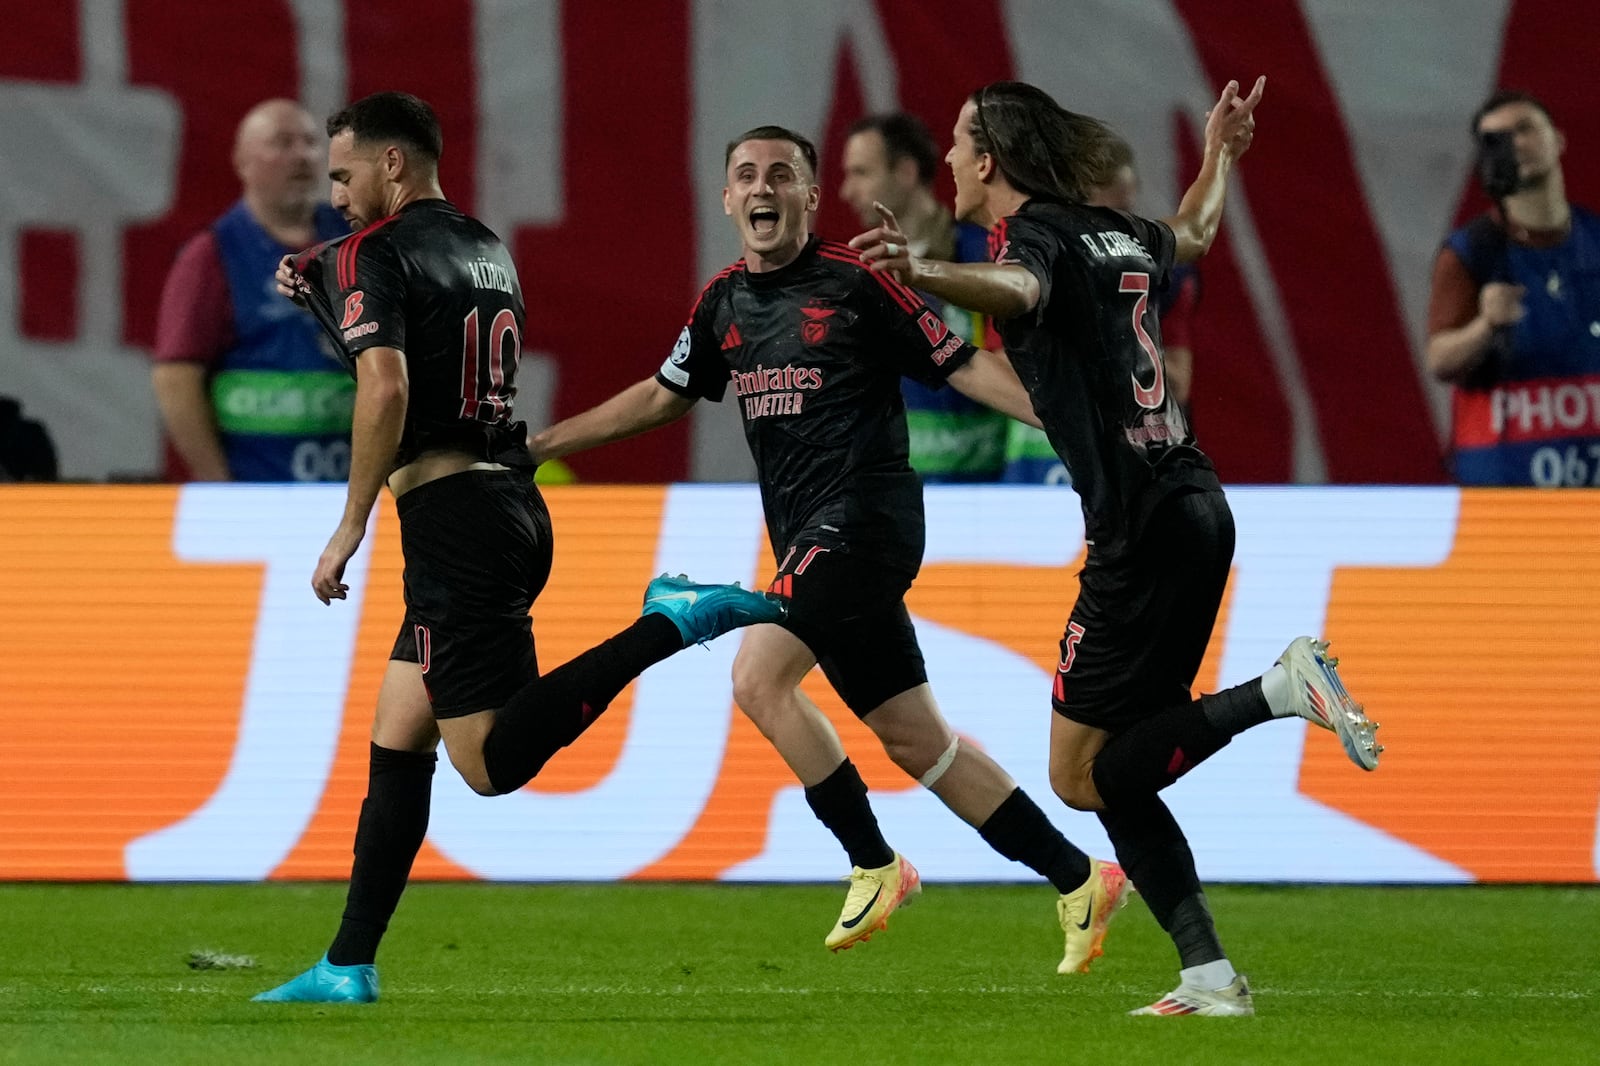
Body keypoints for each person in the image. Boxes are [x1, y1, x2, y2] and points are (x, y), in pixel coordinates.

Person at [530, 125, 1122, 969]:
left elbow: (961, 366)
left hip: (869, 522)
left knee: (756, 675)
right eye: (746, 176)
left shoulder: (858, 283)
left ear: (811, 198)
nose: (763, 188)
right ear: (727, 198)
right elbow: (661, 398)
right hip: (811, 543)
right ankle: (1079, 878)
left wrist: (1073, 421)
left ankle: (875, 864)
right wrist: (544, 443)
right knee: (920, 742)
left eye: (783, 175)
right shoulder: (723, 302)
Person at [852, 77, 1382, 1017]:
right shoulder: (1116, 229)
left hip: (1137, 531)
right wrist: (1221, 154)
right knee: (1123, 763)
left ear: (991, 160)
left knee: (1077, 774)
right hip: (1197, 502)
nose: (947, 160)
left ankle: (1279, 688)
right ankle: (1209, 975)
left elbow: (1018, 289)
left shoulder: (1037, 241)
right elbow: (1199, 230)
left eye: (960, 141)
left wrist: (920, 273)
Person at [252, 92, 784, 1004]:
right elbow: (425, 373)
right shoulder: (487, 250)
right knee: (397, 738)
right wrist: (327, 303)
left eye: (342, 175)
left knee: (490, 765)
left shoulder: (370, 252)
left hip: (453, 523)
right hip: (501, 501)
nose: (333, 195)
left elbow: (385, 390)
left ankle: (671, 622)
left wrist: (350, 523)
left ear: (392, 166)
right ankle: (347, 964)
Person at [151, 99, 354, 482]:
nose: (302, 155)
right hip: (255, 490)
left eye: (311, 142)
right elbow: (176, 378)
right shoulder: (211, 256)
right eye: (282, 143)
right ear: (242, 162)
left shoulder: (354, 242)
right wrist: (220, 485)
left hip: (354, 496)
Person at [1425, 89, 1600, 487]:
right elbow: (1438, 358)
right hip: (1506, 494)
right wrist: (1485, 326)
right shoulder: (1473, 253)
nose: (1517, 144)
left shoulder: (1594, 240)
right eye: (1498, 140)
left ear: (1557, 139)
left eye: (1525, 129)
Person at [1002, 136, 1200, 484]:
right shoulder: (1029, 262)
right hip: (1042, 457)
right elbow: (1002, 366)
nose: (1118, 231)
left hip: (1134, 454)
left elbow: (1179, 384)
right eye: (1103, 216)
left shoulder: (1168, 271)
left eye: (1125, 212)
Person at [840, 113, 1007, 482]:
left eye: (861, 173)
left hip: (988, 496)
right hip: (899, 497)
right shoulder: (858, 276)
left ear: (905, 171)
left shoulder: (985, 254)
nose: (846, 191)